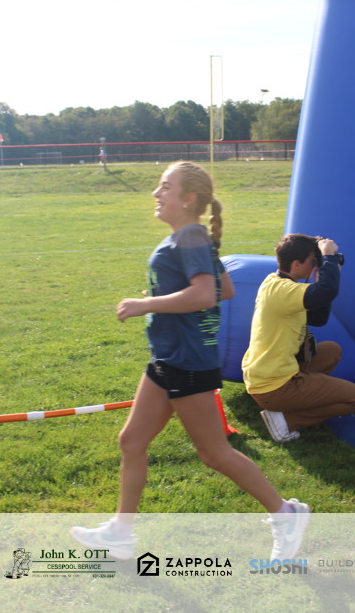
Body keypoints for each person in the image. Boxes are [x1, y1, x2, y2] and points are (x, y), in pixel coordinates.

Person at [70, 161, 309, 561]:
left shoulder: (192, 237)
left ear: (188, 198)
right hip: (168, 358)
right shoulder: (191, 237)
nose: (156, 193)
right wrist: (164, 301)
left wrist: (147, 304)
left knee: (214, 453)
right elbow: (225, 288)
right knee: (131, 441)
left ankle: (286, 514)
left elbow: (204, 294)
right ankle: (120, 534)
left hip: (187, 362)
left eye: (165, 186)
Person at [241, 234, 355, 442]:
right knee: (354, 397)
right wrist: (328, 258)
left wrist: (321, 275)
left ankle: (297, 397)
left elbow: (319, 318)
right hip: (273, 385)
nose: (315, 265)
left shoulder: (276, 282)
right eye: (312, 261)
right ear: (297, 264)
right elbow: (328, 290)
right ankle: (285, 421)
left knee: (331, 350)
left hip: (268, 374)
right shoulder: (283, 291)